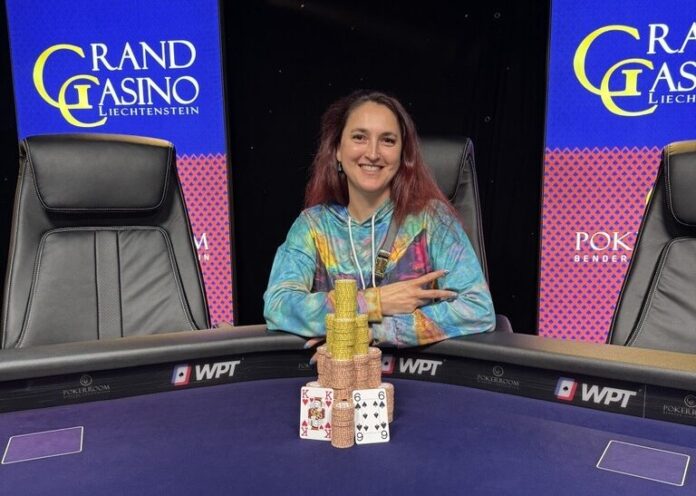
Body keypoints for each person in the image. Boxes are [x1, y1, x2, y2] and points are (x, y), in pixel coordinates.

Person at [263, 90, 495, 347]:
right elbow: (278, 305)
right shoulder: (313, 226)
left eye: (387, 140)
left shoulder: (432, 219)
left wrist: (374, 331)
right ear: (337, 149)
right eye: (359, 137)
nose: (373, 153)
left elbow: (478, 309)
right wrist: (375, 302)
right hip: (338, 370)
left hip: (416, 368)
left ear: (402, 155)